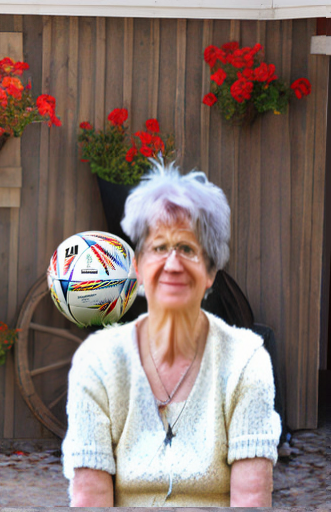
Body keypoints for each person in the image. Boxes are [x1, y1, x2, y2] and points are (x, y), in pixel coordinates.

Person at [62, 162, 281, 507]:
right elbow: (90, 497)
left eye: (188, 249)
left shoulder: (246, 361)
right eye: (159, 247)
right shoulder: (98, 363)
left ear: (210, 272)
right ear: (138, 268)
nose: (173, 264)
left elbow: (251, 499)